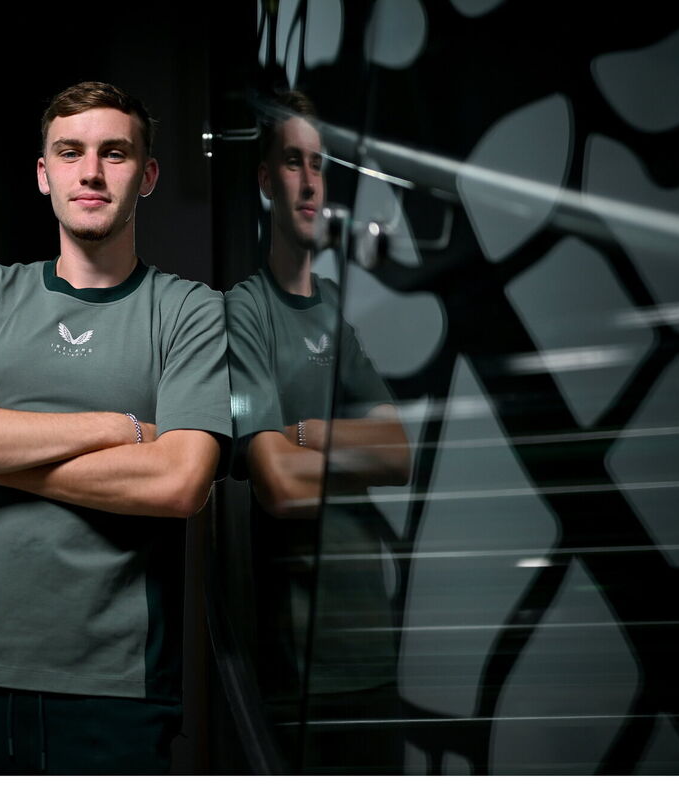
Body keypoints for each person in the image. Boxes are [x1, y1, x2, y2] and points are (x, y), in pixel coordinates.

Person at [0, 81, 231, 775]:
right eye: (70, 153)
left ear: (148, 175)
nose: (91, 172)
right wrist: (118, 428)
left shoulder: (190, 312)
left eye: (115, 153)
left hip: (114, 688)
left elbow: (179, 481)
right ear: (44, 174)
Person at [225, 88, 411, 773]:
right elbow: (277, 485)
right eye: (292, 162)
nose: (309, 181)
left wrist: (305, 433)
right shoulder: (242, 312)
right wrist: (346, 447)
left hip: (374, 655)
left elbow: (399, 455)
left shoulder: (335, 310)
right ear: (266, 180)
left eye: (318, 164)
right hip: (300, 673)